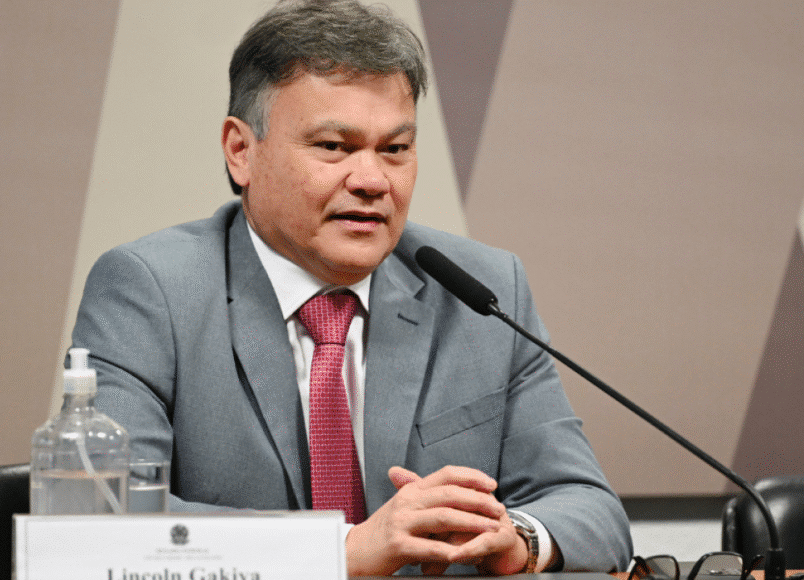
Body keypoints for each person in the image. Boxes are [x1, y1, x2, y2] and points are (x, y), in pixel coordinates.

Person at [71, 0, 632, 575]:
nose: (371, 180)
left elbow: (590, 509)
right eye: (333, 147)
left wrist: (517, 538)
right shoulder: (151, 292)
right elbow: (99, 517)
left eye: (395, 150)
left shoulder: (482, 291)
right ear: (241, 151)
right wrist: (342, 552)